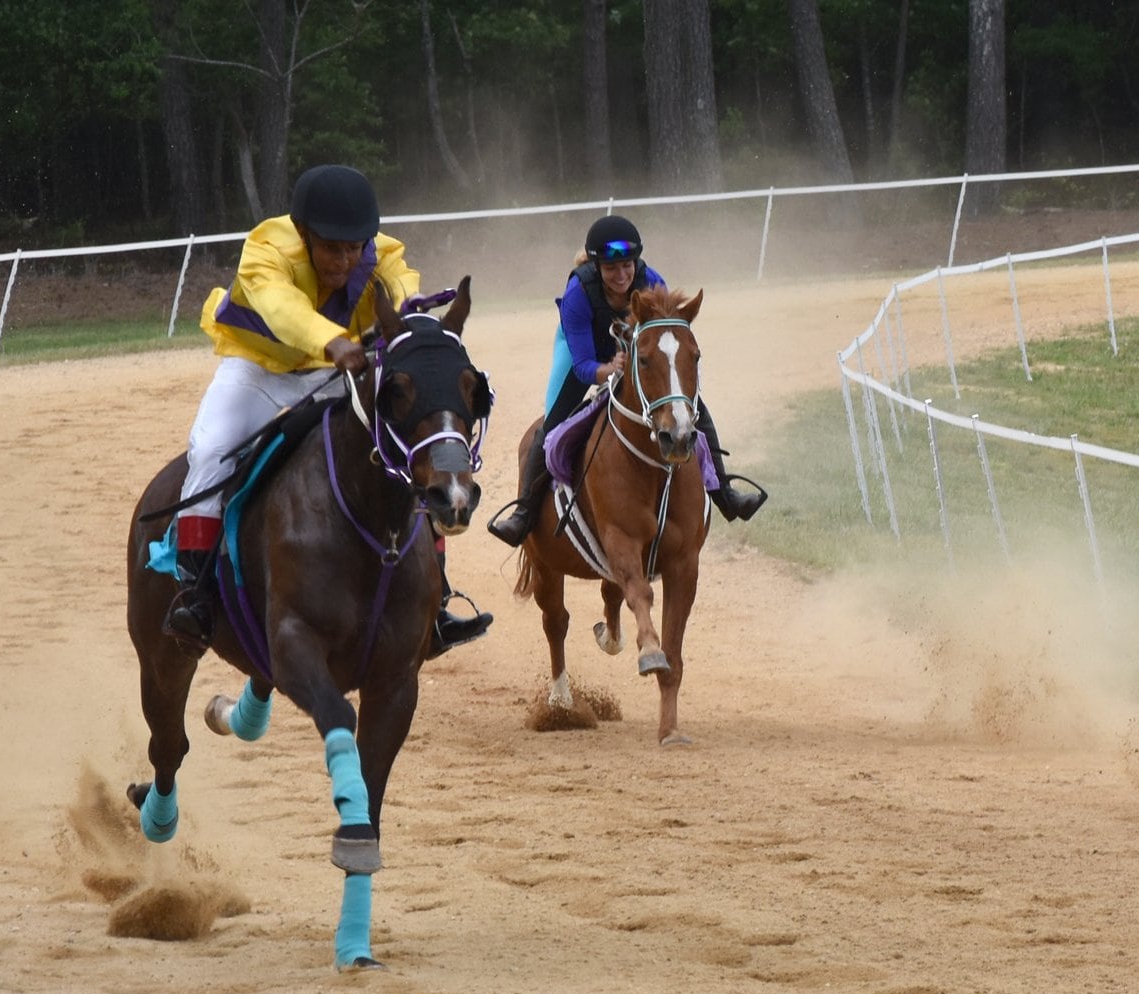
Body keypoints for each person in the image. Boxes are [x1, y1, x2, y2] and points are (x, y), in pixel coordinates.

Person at [164, 163, 493, 658]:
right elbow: (280, 308)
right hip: (257, 370)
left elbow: (405, 295)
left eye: (353, 248)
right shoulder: (267, 248)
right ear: (303, 234)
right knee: (210, 450)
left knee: (403, 455)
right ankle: (196, 595)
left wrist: (421, 327)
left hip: (333, 373)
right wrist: (333, 342)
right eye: (331, 248)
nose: (344, 261)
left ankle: (436, 599)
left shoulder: (378, 255)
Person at [487, 214, 767, 546]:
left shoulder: (653, 282)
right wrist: (608, 369)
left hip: (637, 352)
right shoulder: (578, 293)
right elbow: (581, 366)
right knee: (551, 426)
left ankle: (725, 494)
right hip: (584, 353)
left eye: (627, 266)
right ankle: (524, 513)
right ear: (596, 267)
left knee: (695, 410)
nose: (621, 275)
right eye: (610, 268)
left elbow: (668, 338)